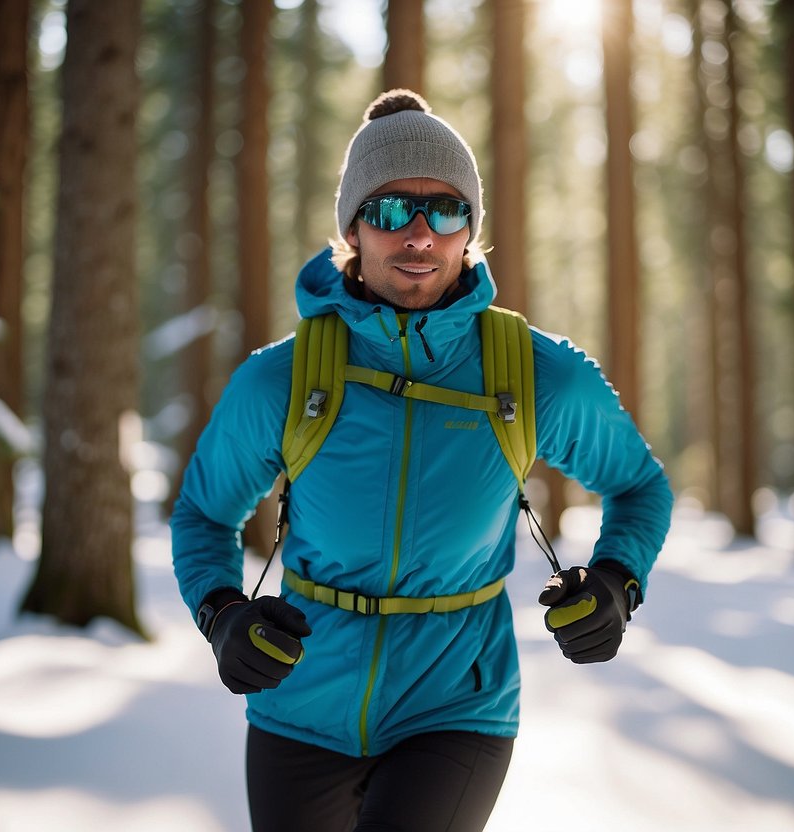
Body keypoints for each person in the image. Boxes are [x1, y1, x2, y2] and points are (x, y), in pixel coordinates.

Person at [171, 89, 673, 832]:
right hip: (298, 703)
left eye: (444, 210)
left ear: (470, 229)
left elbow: (637, 484)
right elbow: (204, 512)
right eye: (387, 210)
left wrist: (615, 581)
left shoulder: (532, 373)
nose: (418, 234)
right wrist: (220, 616)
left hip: (456, 705)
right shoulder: (283, 379)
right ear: (351, 228)